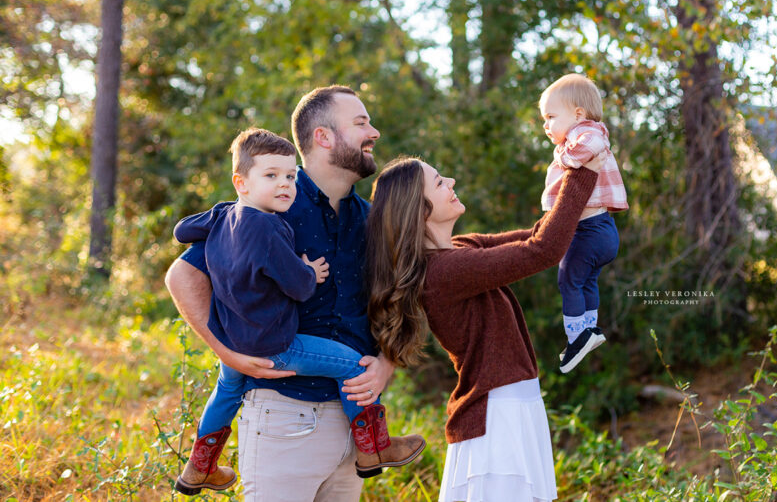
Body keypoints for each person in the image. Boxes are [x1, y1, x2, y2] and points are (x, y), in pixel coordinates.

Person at [165, 86, 403, 502]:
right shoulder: (268, 205)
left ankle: (373, 445)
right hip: (284, 416)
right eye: (361, 123)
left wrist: (387, 362)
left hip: (354, 421)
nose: (375, 132)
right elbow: (182, 275)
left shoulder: (371, 217)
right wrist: (227, 352)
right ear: (324, 137)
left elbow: (398, 298)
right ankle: (202, 463)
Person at [365, 152, 605, 502]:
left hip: (512, 408)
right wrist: (581, 173)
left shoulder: (461, 249)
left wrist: (587, 209)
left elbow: (543, 235)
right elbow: (542, 251)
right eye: (439, 182)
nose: (451, 183)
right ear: (421, 210)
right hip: (497, 417)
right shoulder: (445, 272)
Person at [539, 73, 628, 373]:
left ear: (577, 114)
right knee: (586, 280)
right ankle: (589, 330)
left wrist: (563, 156)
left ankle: (577, 338)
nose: (546, 125)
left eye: (551, 116)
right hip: (602, 230)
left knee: (568, 279)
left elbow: (585, 150)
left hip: (590, 231)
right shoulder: (584, 134)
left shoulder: (586, 132)